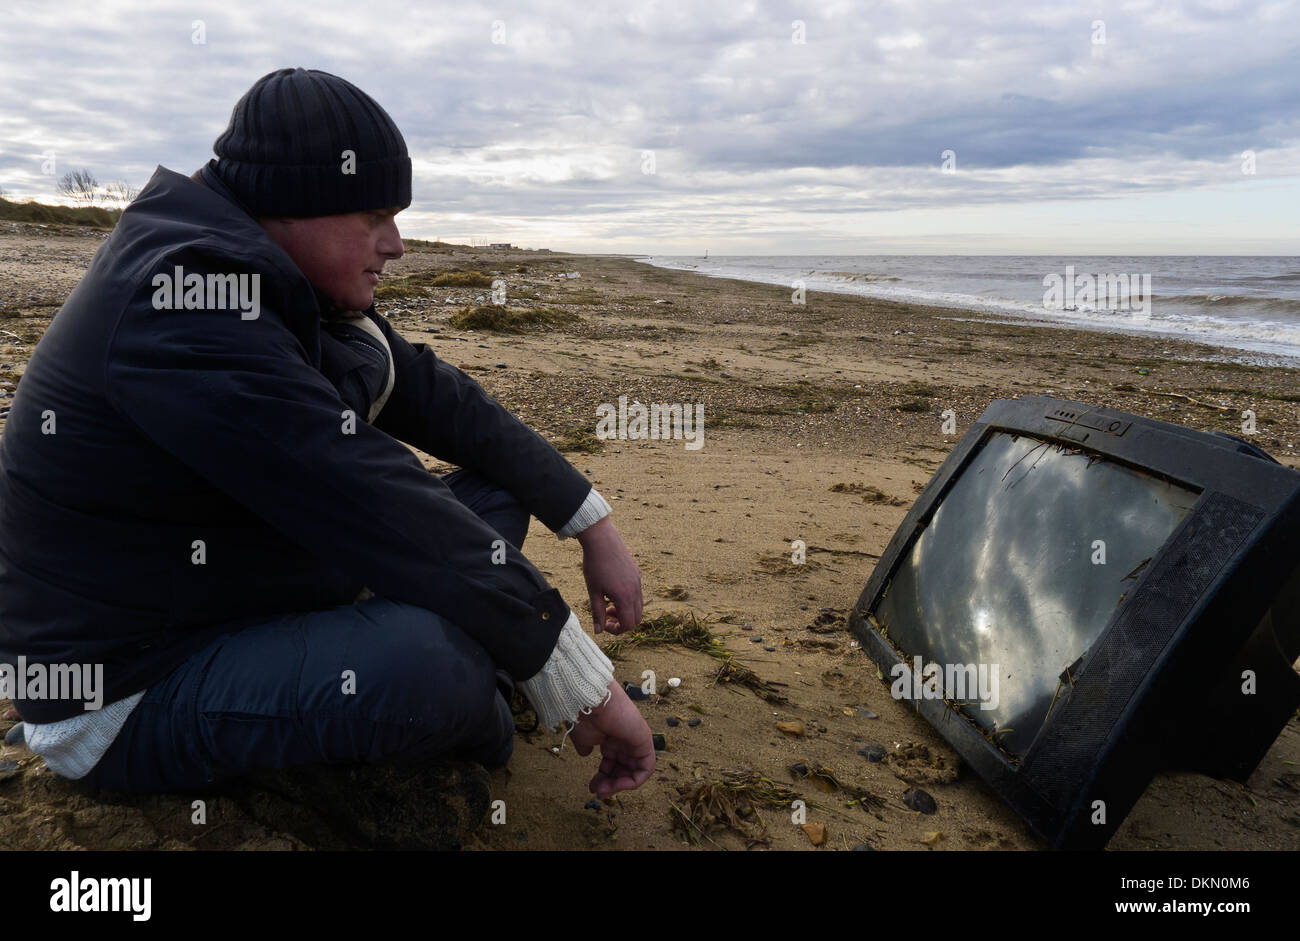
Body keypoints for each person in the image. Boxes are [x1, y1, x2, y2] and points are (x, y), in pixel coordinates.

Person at [0, 67, 654, 817]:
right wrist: (569, 668)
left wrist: (588, 518)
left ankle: (458, 653)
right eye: (373, 215)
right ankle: (475, 696)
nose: (397, 244)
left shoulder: (276, 279)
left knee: (498, 499)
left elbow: (441, 399)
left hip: (237, 587)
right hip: (130, 684)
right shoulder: (179, 301)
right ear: (291, 202)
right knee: (437, 669)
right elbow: (365, 489)